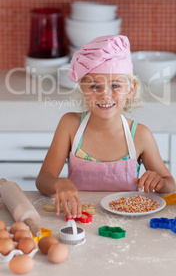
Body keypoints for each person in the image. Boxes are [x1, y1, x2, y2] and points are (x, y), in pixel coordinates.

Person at [36, 35, 175, 219]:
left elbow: (170, 184)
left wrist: (160, 183)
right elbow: (43, 179)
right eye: (94, 86)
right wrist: (58, 184)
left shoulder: (140, 135)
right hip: (80, 220)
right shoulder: (70, 126)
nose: (105, 95)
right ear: (82, 88)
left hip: (128, 224)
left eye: (115, 85)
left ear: (131, 89)